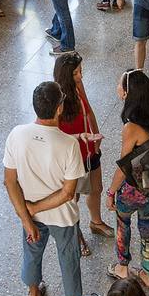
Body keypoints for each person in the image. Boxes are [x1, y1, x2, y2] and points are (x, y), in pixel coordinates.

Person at [4, 81, 100, 296]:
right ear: (59, 109)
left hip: (29, 215)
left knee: (31, 251)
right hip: (62, 216)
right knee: (68, 257)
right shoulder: (68, 145)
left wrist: (28, 217)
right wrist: (36, 209)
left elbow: (10, 182)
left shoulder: (16, 134)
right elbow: (68, 193)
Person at [106, 70, 149, 286]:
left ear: (126, 93)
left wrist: (111, 192)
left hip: (138, 188)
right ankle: (147, 274)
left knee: (122, 219)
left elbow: (124, 167)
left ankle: (122, 267)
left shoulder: (131, 127)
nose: (117, 88)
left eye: (119, 85)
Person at [56, 52, 111, 255]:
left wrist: (95, 136)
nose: (81, 76)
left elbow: (88, 110)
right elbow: (56, 136)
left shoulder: (78, 87)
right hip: (72, 157)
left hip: (89, 149)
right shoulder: (58, 98)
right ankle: (75, 235)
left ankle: (96, 222)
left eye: (81, 71)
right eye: (76, 73)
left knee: (96, 187)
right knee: (73, 197)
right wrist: (83, 137)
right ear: (66, 75)